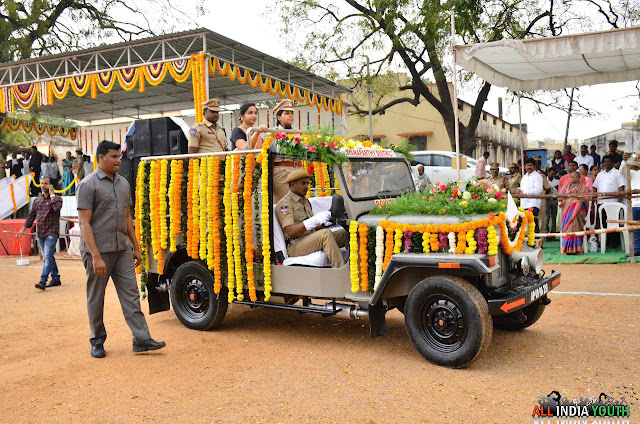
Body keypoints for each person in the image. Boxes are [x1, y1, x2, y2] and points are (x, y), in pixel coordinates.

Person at [77, 140, 165, 358]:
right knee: (96, 298)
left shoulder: (124, 183)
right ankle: (97, 341)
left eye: (119, 156)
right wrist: (96, 257)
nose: (119, 160)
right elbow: (84, 224)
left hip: (122, 249)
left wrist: (135, 247)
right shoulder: (88, 185)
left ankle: (141, 339)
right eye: (114, 157)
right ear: (101, 158)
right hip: (98, 252)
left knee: (131, 295)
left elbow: (128, 218)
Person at [276, 169, 348, 268]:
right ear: (292, 184)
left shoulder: (305, 201)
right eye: (303, 183)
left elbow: (314, 227)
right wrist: (312, 222)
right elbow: (290, 231)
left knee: (344, 233)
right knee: (325, 235)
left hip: (310, 238)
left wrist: (325, 221)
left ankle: (357, 268)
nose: (307, 187)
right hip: (296, 244)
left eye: (307, 183)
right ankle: (341, 271)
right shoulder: (285, 204)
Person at [17, 177, 63, 289]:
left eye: (46, 184)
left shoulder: (57, 199)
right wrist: (22, 230)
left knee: (47, 257)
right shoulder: (37, 200)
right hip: (41, 232)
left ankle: (43, 280)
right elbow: (31, 216)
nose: (43, 186)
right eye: (42, 183)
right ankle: (56, 278)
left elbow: (56, 209)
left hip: (52, 232)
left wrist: (52, 194)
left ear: (51, 185)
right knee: (49, 256)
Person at [593, 156, 626, 249]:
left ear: (612, 163)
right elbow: (595, 187)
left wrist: (619, 203)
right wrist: (595, 199)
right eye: (605, 162)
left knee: (613, 223)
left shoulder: (617, 173)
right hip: (601, 202)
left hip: (613, 203)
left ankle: (614, 244)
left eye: (609, 161)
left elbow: (621, 188)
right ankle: (605, 243)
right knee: (603, 223)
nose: (607, 163)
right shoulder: (600, 174)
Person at [272, 99, 302, 203]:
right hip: (282, 172)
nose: (291, 116)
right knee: (285, 205)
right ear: (279, 117)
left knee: (298, 205)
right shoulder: (273, 134)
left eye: (292, 113)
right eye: (287, 113)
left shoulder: (297, 134)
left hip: (297, 170)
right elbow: (269, 158)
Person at [559, 171, 589, 255]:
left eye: (575, 177)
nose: (573, 178)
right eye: (571, 177)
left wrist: (577, 196)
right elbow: (559, 198)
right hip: (566, 212)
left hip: (578, 212)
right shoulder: (565, 187)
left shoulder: (582, 187)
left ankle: (577, 249)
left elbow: (587, 198)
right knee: (567, 228)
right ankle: (565, 249)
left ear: (579, 178)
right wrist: (567, 194)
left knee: (575, 227)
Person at [517, 158, 544, 230]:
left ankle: (536, 240)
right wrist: (519, 190)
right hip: (523, 204)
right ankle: (527, 240)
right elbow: (522, 187)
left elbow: (538, 190)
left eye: (531, 165)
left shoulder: (537, 176)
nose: (529, 167)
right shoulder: (525, 177)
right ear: (525, 166)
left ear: (534, 167)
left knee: (533, 223)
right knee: (524, 224)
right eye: (527, 165)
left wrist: (525, 192)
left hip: (533, 204)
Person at [625, 159, 640, 256]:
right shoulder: (629, 173)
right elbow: (623, 169)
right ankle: (637, 249)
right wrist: (625, 161)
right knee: (635, 229)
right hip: (634, 204)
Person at [546, 169, 559, 235]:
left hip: (554, 200)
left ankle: (553, 234)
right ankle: (546, 234)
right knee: (547, 218)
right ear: (548, 173)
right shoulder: (544, 181)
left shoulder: (557, 181)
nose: (553, 175)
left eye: (554, 174)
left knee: (554, 217)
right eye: (552, 173)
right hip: (547, 200)